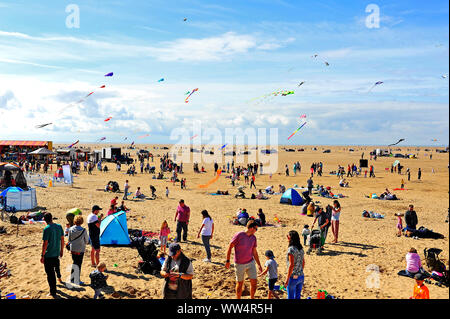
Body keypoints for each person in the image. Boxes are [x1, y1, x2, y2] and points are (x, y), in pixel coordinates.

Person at [225, 220, 263, 299]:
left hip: (250, 263)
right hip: (239, 264)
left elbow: (254, 252)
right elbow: (230, 247)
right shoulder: (239, 235)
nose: (256, 231)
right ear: (252, 228)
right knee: (239, 284)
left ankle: (252, 298)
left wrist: (259, 264)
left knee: (254, 283)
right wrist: (228, 261)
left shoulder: (253, 238)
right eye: (256, 229)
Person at [41, 213, 65, 298]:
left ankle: (52, 292)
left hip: (49, 255)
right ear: (52, 218)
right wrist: (61, 250)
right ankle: (54, 288)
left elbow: (45, 243)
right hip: (56, 253)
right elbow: (62, 239)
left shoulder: (47, 229)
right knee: (54, 271)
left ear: (44, 220)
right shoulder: (59, 226)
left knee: (50, 274)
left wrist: (42, 255)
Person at [67, 215, 90, 286]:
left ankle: (72, 278)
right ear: (81, 222)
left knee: (75, 263)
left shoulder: (70, 229)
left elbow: (69, 240)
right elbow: (87, 241)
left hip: (73, 248)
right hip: (80, 249)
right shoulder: (83, 230)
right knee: (78, 264)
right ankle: (77, 280)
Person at [285, 230, 305, 299]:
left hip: (293, 277)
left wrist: (287, 279)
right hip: (301, 276)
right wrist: (299, 271)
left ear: (291, 238)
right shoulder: (301, 249)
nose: (287, 237)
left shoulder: (291, 249)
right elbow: (303, 262)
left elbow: (291, 265)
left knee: (290, 297)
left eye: (288, 236)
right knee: (297, 296)